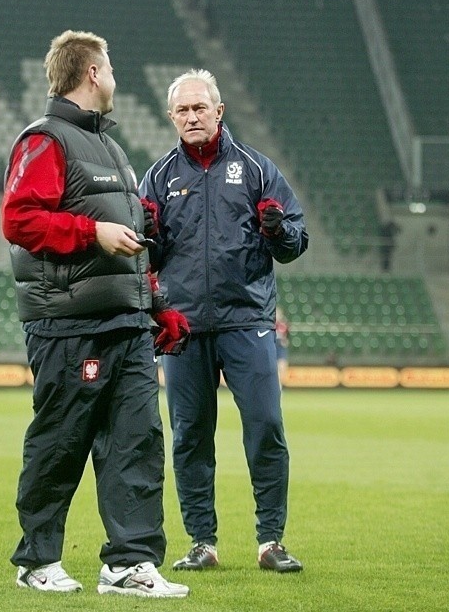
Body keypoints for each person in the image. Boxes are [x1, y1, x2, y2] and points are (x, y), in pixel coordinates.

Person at [1, 30, 190, 598]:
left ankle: (128, 563)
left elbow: (127, 242)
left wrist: (155, 306)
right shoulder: (44, 141)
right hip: (69, 324)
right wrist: (94, 231)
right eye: (110, 67)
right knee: (62, 440)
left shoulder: (111, 148)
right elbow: (20, 221)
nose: (115, 77)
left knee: (137, 439)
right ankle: (37, 560)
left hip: (126, 324)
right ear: (90, 73)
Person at [139, 69, 309, 573]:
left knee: (266, 427)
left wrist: (278, 232)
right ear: (171, 117)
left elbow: (295, 242)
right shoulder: (159, 177)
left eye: (200, 108)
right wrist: (149, 237)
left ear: (219, 111)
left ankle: (271, 541)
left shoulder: (257, 169)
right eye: (182, 110)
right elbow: (147, 256)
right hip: (183, 325)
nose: (191, 117)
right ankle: (202, 542)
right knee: (190, 435)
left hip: (247, 320)